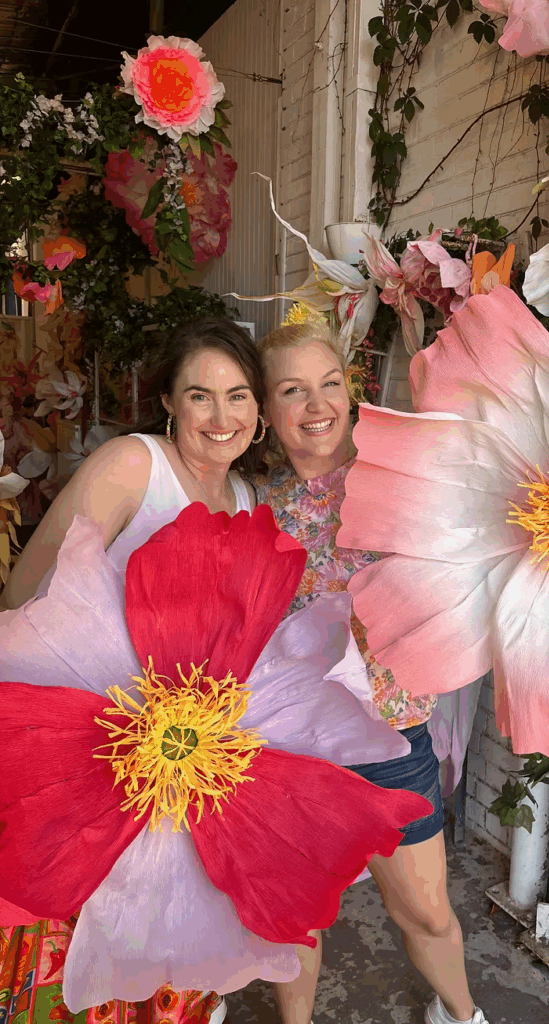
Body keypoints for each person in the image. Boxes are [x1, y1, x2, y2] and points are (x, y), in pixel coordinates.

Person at [0, 317, 266, 1024]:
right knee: (76, 939)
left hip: (178, 766)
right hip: (93, 749)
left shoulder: (248, 499)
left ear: (258, 408)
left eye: (238, 395)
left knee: (164, 936)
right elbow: (25, 596)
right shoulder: (134, 466)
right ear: (169, 402)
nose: (221, 416)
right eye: (200, 395)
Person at [254, 321, 489, 1024]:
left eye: (330, 383)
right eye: (292, 390)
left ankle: (460, 1014)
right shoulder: (247, 501)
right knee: (296, 915)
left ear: (351, 390)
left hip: (390, 736)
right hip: (288, 747)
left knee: (425, 910)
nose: (316, 404)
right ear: (264, 408)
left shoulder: (399, 476)